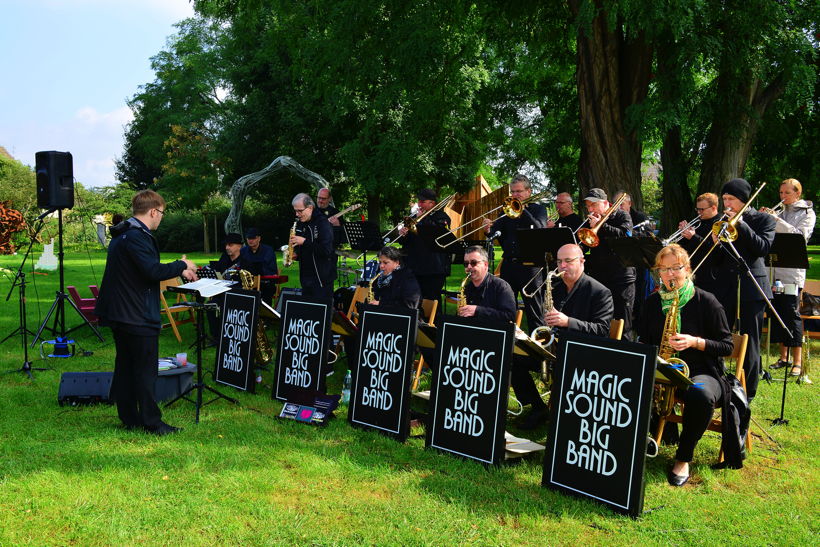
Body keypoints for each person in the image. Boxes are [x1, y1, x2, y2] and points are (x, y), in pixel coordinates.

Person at [94, 190, 198, 435]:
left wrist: (177, 270)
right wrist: (182, 265)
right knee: (144, 370)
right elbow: (151, 271)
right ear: (153, 211)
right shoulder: (138, 236)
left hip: (121, 312)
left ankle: (130, 418)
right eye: (161, 213)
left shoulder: (124, 233)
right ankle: (152, 423)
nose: (161, 218)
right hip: (135, 314)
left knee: (127, 366)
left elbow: (141, 270)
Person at [637, 244, 734, 486]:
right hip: (662, 370)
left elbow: (727, 346)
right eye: (664, 269)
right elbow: (643, 340)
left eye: (676, 268)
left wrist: (696, 342)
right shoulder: (651, 304)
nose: (670, 275)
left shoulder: (707, 301)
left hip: (702, 372)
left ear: (687, 269)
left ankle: (683, 457)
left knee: (700, 395)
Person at [512, 243, 614, 429]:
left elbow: (602, 330)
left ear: (582, 261)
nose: (563, 266)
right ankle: (537, 407)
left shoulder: (600, 292)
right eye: (559, 262)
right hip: (555, 349)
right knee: (513, 359)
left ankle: (565, 417)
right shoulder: (555, 287)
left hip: (582, 354)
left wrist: (568, 321)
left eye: (568, 261)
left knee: (560, 369)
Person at [714, 178, 775, 403]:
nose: (726, 204)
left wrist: (741, 225)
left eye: (731, 199)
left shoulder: (763, 219)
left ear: (743, 200)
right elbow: (719, 260)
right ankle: (719, 382)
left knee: (750, 341)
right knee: (720, 335)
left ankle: (747, 392)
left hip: (752, 285)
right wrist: (716, 244)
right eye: (724, 200)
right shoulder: (722, 220)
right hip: (727, 286)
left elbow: (762, 247)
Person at [761, 178, 815, 378]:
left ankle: (798, 362)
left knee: (791, 315)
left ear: (797, 194)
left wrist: (776, 220)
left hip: (792, 272)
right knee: (776, 314)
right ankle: (784, 358)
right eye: (781, 193)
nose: (782, 197)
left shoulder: (807, 214)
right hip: (774, 270)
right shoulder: (782, 212)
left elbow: (799, 237)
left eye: (787, 193)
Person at [482, 174, 548, 331]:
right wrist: (488, 230)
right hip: (510, 265)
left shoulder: (538, 209)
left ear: (529, 192)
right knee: (504, 306)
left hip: (531, 267)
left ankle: (538, 346)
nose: (515, 195)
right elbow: (495, 234)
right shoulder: (506, 211)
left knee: (534, 310)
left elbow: (539, 229)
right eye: (513, 192)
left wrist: (522, 211)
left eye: (519, 191)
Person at [581, 188, 636, 339]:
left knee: (622, 321)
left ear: (605, 203)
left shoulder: (621, 215)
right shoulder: (590, 220)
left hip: (621, 277)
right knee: (599, 317)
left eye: (593, 205)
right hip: (600, 275)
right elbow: (585, 245)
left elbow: (625, 235)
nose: (590, 209)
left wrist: (601, 225)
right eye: (588, 206)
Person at [399, 188, 452, 304]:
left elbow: (436, 235)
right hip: (415, 266)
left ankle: (433, 322)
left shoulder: (442, 217)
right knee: (414, 301)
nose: (419, 204)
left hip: (433, 269)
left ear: (432, 203)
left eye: (422, 201)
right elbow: (407, 243)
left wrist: (423, 219)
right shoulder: (413, 217)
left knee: (431, 301)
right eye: (419, 201)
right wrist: (404, 235)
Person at [290, 193, 337, 300]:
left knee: (320, 313)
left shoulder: (323, 223)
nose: (297, 214)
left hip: (321, 280)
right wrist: (295, 254)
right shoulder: (301, 223)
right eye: (295, 211)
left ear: (310, 208)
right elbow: (305, 250)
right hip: (306, 278)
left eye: (300, 211)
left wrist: (304, 242)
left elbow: (326, 251)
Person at [678, 193, 724, 299]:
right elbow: (686, 248)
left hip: (711, 277)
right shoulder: (697, 222)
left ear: (713, 208)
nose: (699, 213)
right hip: (693, 275)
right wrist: (683, 235)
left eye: (702, 210)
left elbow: (715, 250)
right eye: (697, 209)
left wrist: (693, 237)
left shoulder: (721, 223)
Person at [457, 245, 517, 322]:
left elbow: (510, 316)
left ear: (485, 265)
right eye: (466, 263)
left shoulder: (501, 287)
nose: (469, 267)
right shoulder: (467, 287)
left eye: (473, 263)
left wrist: (478, 311)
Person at [240, 227, 279, 304]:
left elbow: (272, 270)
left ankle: (265, 313)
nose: (250, 240)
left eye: (253, 238)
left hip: (265, 283)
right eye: (248, 238)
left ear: (259, 238)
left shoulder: (268, 250)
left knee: (267, 290)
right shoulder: (243, 251)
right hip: (247, 283)